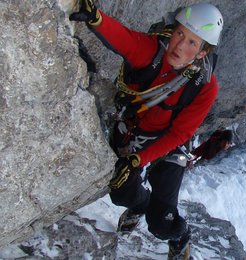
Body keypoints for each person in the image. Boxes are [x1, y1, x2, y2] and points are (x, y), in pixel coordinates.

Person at [70, 1, 223, 259]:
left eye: (192, 43)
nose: (179, 46)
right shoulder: (154, 52)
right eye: (180, 34)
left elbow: (179, 134)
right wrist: (95, 18)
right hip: (133, 132)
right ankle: (141, 205)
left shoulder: (205, 86)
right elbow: (125, 40)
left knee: (161, 222)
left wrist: (137, 160)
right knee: (121, 192)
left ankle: (180, 236)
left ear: (202, 53)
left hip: (168, 144)